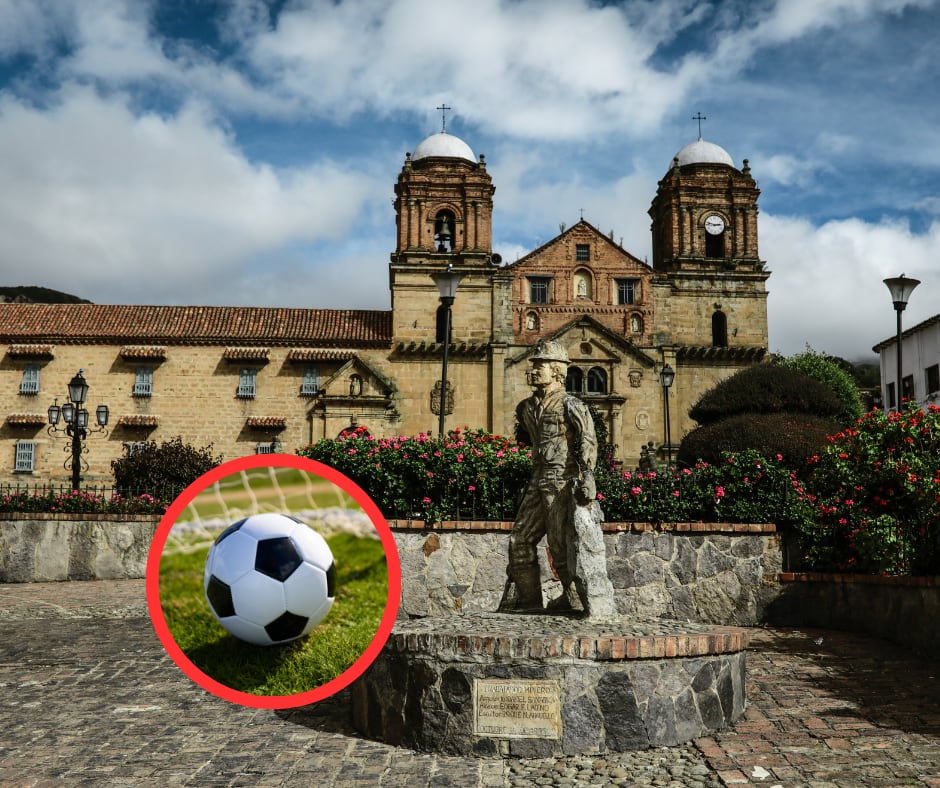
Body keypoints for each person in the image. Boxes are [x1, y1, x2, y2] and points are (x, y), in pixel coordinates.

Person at [498, 339, 602, 614]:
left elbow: (587, 440)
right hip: (538, 478)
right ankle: (528, 601)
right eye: (534, 365)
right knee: (519, 540)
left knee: (559, 544)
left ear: (557, 371)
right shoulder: (527, 409)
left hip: (561, 480)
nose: (533, 371)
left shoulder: (571, 405)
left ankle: (575, 599)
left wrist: (586, 475)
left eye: (540, 365)